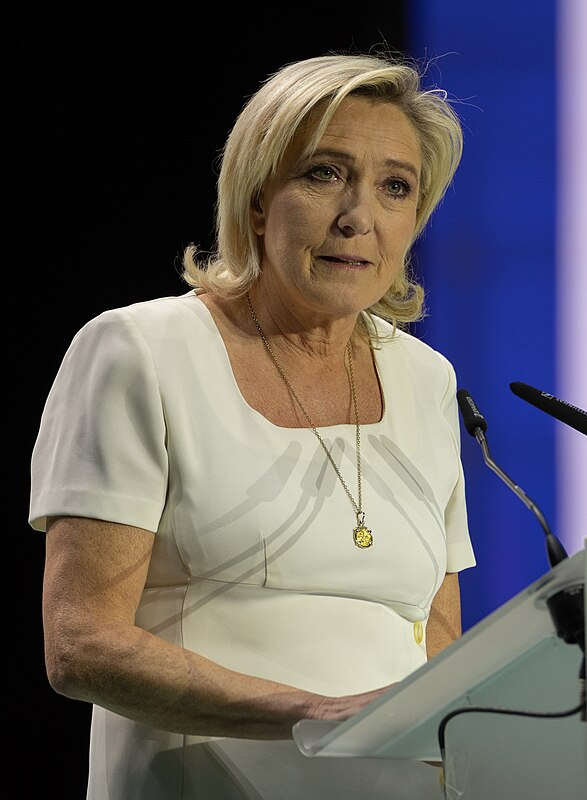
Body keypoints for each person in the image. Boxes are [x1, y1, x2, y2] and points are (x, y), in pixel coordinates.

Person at [30, 51, 474, 800]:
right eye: (325, 174)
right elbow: (82, 644)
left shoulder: (426, 379)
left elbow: (436, 639)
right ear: (258, 200)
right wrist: (312, 714)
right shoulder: (142, 350)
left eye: (395, 187)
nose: (358, 217)